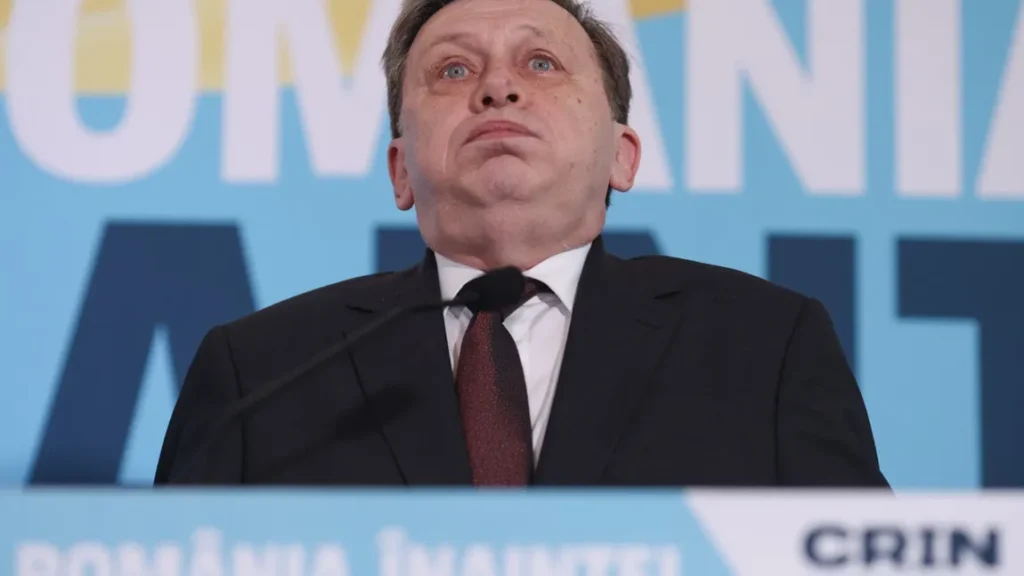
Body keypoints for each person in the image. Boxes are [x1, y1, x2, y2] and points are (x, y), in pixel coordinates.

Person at [154, 0, 889, 487]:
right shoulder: (261, 373)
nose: (497, 88)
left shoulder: (763, 344)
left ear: (622, 156)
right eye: (453, 70)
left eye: (541, 63)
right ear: (400, 169)